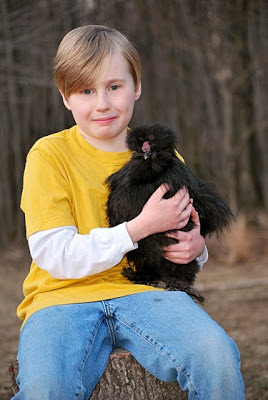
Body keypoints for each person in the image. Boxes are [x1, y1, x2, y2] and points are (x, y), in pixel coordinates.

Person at [13, 25, 245, 400]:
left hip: (148, 292)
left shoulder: (162, 158)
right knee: (45, 387)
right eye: (86, 90)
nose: (102, 103)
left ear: (136, 86)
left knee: (215, 355)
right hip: (60, 300)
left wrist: (194, 247)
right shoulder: (48, 156)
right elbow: (54, 255)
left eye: (114, 87)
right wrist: (136, 228)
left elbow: (182, 238)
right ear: (65, 97)